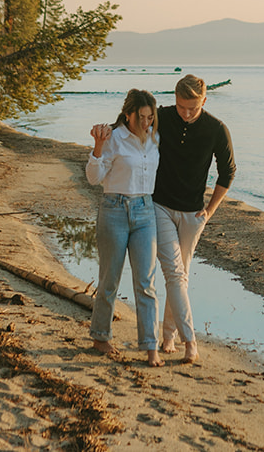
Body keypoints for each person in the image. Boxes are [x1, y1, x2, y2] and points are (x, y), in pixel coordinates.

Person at [152, 73, 236, 364]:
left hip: (193, 213)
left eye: (193, 108)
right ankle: (190, 342)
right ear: (174, 100)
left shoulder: (216, 129)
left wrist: (209, 211)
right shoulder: (161, 116)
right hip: (159, 206)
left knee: (181, 276)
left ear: (204, 100)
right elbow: (130, 128)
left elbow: (228, 173)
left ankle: (168, 336)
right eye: (181, 107)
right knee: (175, 273)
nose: (186, 113)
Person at [86, 88, 163, 366]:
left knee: (146, 282)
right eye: (140, 117)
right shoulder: (113, 138)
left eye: (150, 117)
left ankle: (151, 346)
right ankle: (100, 337)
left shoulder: (154, 137)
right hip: (114, 210)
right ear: (128, 114)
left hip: (145, 211)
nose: (145, 123)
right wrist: (97, 145)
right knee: (110, 280)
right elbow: (94, 178)